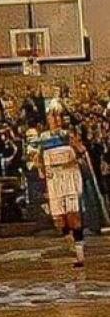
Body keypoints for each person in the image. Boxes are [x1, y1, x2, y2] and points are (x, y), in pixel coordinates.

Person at [35, 110, 90, 268]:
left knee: (73, 215)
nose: (56, 119)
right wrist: (41, 169)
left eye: (58, 116)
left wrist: (76, 147)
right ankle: (70, 240)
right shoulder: (43, 138)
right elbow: (39, 158)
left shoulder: (68, 134)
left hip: (69, 177)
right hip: (54, 180)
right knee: (60, 219)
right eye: (53, 116)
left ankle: (80, 257)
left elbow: (82, 151)